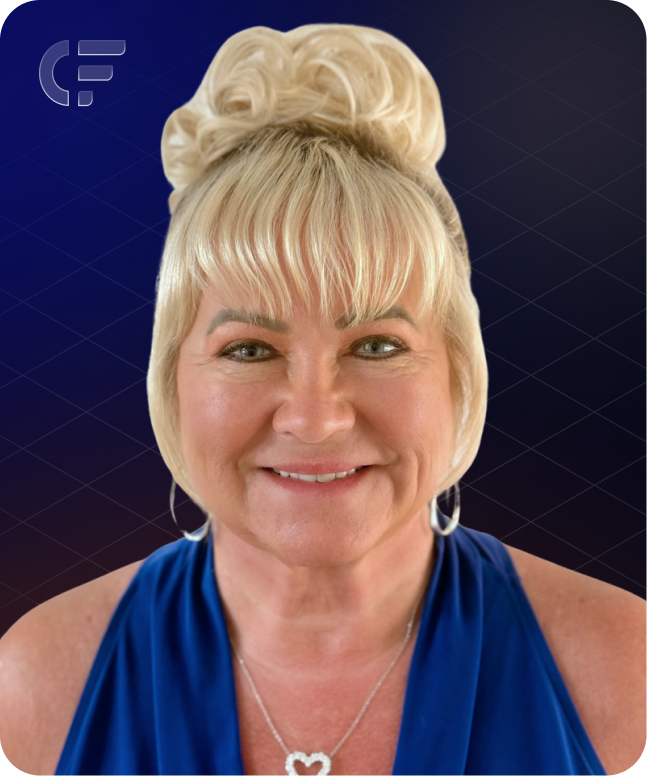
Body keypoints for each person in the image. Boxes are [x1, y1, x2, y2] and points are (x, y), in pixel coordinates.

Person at [1, 22, 646, 776]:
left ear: (456, 372)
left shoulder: (626, 676)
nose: (314, 416)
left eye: (375, 345)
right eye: (249, 350)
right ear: (171, 378)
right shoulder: (37, 687)